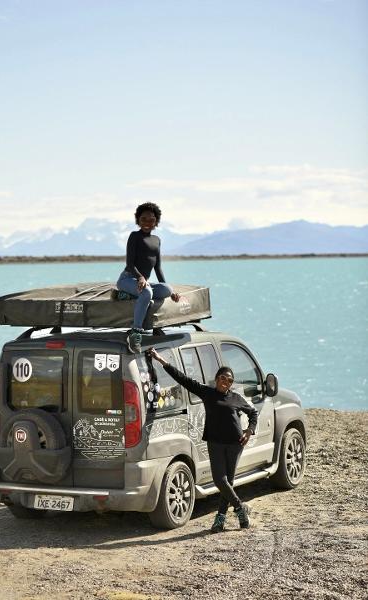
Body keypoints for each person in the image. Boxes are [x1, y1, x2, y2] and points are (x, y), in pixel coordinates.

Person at [148, 347, 258, 532]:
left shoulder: (236, 398)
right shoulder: (207, 392)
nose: (226, 382)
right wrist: (160, 359)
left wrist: (249, 430)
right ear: (217, 379)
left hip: (235, 444)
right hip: (215, 442)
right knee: (220, 480)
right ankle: (240, 508)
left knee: (227, 484)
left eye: (229, 380)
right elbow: (182, 378)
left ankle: (220, 520)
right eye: (223, 378)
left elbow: (253, 412)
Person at [116, 203, 180, 353]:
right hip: (127, 279)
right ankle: (136, 332)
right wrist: (140, 277)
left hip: (143, 282)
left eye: (151, 220)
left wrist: (171, 293)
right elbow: (130, 264)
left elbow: (157, 267)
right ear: (138, 220)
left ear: (156, 222)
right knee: (147, 293)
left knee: (167, 289)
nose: (147, 223)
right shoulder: (134, 236)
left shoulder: (157, 240)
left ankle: (126, 295)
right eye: (143, 219)